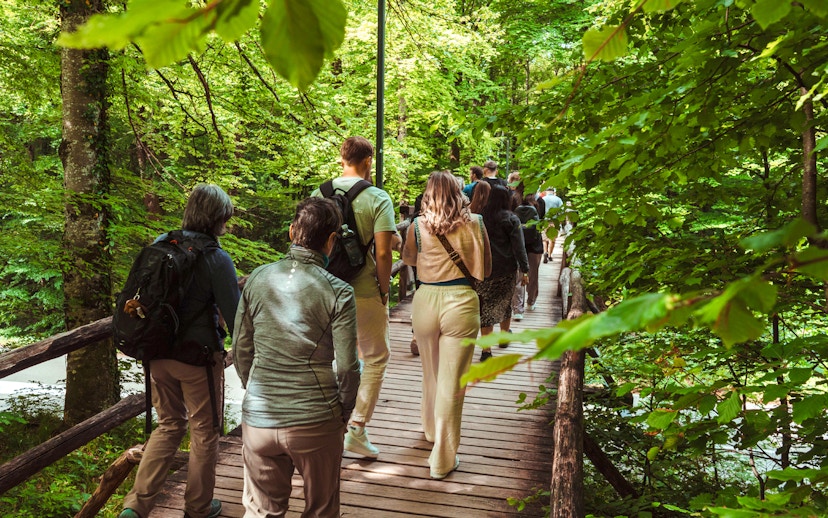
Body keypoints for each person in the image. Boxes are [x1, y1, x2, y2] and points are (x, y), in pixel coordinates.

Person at [232, 197, 361, 518]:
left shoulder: (256, 280)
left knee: (261, 511)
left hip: (260, 418)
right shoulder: (339, 292)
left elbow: (240, 350)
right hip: (316, 419)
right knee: (321, 509)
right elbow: (347, 367)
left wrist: (257, 391)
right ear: (331, 240)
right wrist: (343, 411)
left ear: (292, 232)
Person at [120, 184, 240, 518]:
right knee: (204, 431)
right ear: (216, 218)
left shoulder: (161, 243)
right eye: (225, 219)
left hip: (156, 354)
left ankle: (135, 507)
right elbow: (236, 317)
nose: (226, 226)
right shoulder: (216, 258)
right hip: (197, 360)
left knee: (169, 425)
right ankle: (198, 508)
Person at [402, 170, 492, 479]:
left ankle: (430, 430)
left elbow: (409, 259)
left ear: (428, 194)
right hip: (461, 303)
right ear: (458, 192)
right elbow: (485, 270)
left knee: (431, 372)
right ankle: (441, 457)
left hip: (426, 300)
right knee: (453, 383)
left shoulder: (416, 225)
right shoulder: (476, 223)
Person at [313, 136, 397, 459]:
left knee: (324, 357)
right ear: (368, 163)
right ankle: (356, 428)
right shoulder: (377, 198)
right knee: (375, 357)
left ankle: (323, 424)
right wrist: (384, 290)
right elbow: (384, 253)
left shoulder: (317, 193)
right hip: (362, 292)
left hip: (322, 289)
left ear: (341, 159)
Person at [477, 185, 529, 362]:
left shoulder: (480, 218)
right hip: (506, 269)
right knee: (505, 303)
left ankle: (486, 350)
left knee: (485, 308)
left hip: (483, 269)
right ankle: (505, 335)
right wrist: (525, 269)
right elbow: (519, 247)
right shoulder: (511, 219)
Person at [512, 193, 544, 319]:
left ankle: (518, 309)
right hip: (535, 245)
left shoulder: (514, 200)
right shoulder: (539, 201)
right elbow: (541, 221)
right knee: (533, 274)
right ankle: (531, 302)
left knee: (518, 276)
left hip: (518, 243)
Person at [540, 188, 563, 263]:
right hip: (554, 221)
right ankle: (549, 255)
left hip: (544, 221)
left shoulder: (542, 199)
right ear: (553, 192)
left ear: (546, 192)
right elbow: (561, 211)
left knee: (544, 239)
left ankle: (545, 252)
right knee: (552, 239)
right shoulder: (558, 199)